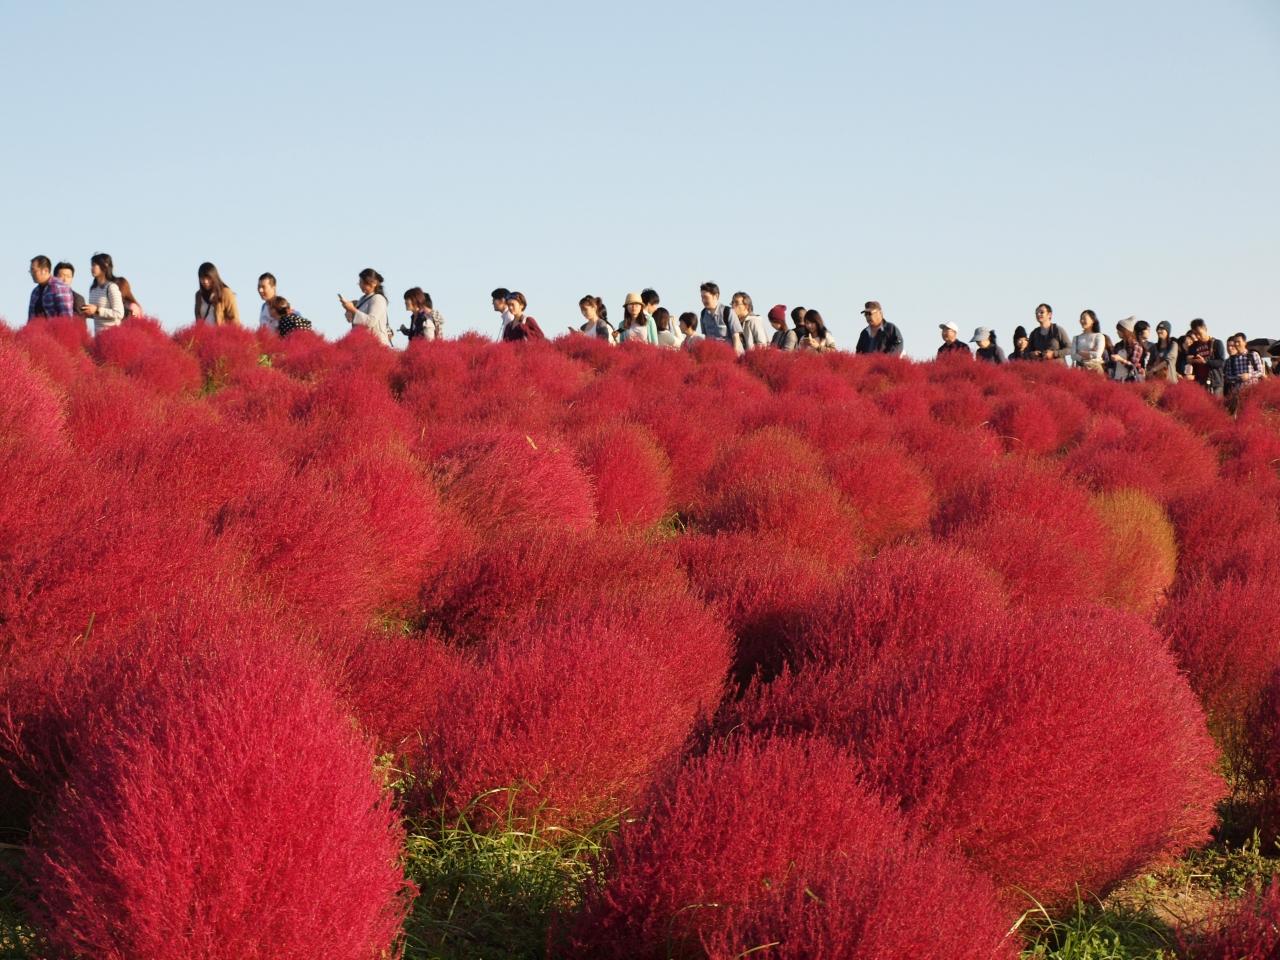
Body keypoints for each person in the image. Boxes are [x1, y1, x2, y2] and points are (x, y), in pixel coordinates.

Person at [339, 268, 392, 345]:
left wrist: (352, 309)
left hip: (376, 344)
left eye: (363, 282)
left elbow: (371, 321)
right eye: (360, 282)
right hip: (363, 343)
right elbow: (350, 319)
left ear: (374, 283)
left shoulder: (378, 298)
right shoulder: (362, 299)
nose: (360, 285)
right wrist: (348, 309)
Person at [80, 252, 126, 336]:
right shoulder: (93, 289)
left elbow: (119, 313)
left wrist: (97, 310)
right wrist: (88, 313)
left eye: (94, 265)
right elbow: (98, 315)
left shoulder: (111, 287)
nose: (91, 268)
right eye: (91, 265)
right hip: (98, 336)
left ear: (105, 266)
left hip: (113, 336)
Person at [698, 281, 744, 353]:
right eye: (702, 297)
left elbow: (736, 337)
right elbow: (706, 337)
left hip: (730, 354)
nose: (703, 300)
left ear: (716, 296)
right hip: (714, 355)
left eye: (706, 297)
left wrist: (735, 355)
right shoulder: (703, 314)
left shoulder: (728, 312)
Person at [1185, 318, 1226, 395]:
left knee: (1216, 402)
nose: (1198, 336)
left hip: (1215, 383)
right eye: (1195, 334)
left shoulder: (1217, 343)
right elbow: (1189, 362)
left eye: (1199, 333)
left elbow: (1221, 362)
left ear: (1205, 329)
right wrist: (1190, 360)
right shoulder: (1193, 346)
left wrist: (1205, 361)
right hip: (1199, 383)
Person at [27, 255, 76, 320]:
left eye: (34, 271)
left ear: (45, 270)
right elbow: (31, 319)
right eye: (31, 271)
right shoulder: (35, 292)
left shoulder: (60, 288)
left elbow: (66, 317)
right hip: (38, 326)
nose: (32, 273)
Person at [1224, 332, 1264, 406]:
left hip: (1253, 391)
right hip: (1238, 393)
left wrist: (1249, 375)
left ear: (1245, 343)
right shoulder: (1231, 359)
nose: (1236, 344)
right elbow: (1228, 377)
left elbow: (1260, 371)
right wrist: (1238, 377)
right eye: (1235, 342)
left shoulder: (1253, 355)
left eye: (1238, 342)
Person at [1110, 317, 1145, 382]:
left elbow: (1133, 367)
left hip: (1130, 381)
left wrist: (1121, 359)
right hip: (1117, 380)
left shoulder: (1136, 346)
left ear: (1125, 331)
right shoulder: (1118, 345)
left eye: (1119, 330)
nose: (1117, 332)